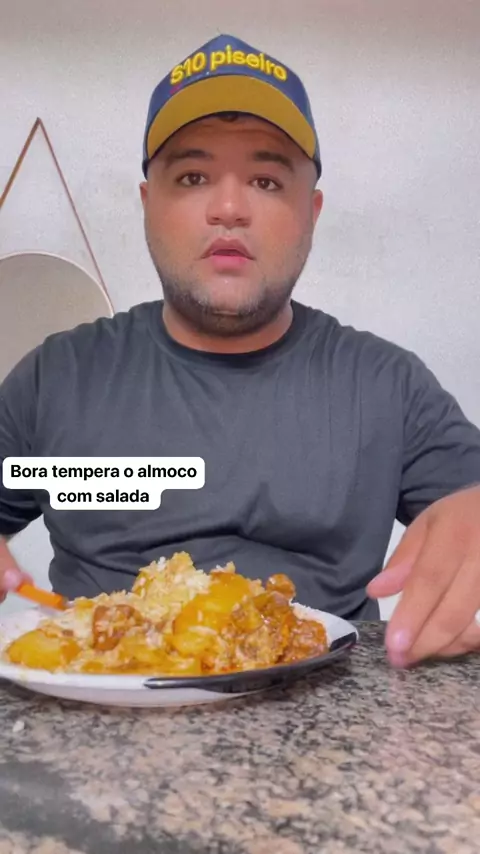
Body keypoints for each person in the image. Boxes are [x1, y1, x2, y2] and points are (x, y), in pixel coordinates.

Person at [1, 34, 480, 669]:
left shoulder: (386, 385)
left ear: (312, 212)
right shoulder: (56, 378)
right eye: (193, 177)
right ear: (147, 206)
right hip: (97, 702)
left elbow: (466, 501)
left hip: (326, 708)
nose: (229, 208)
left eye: (266, 180)